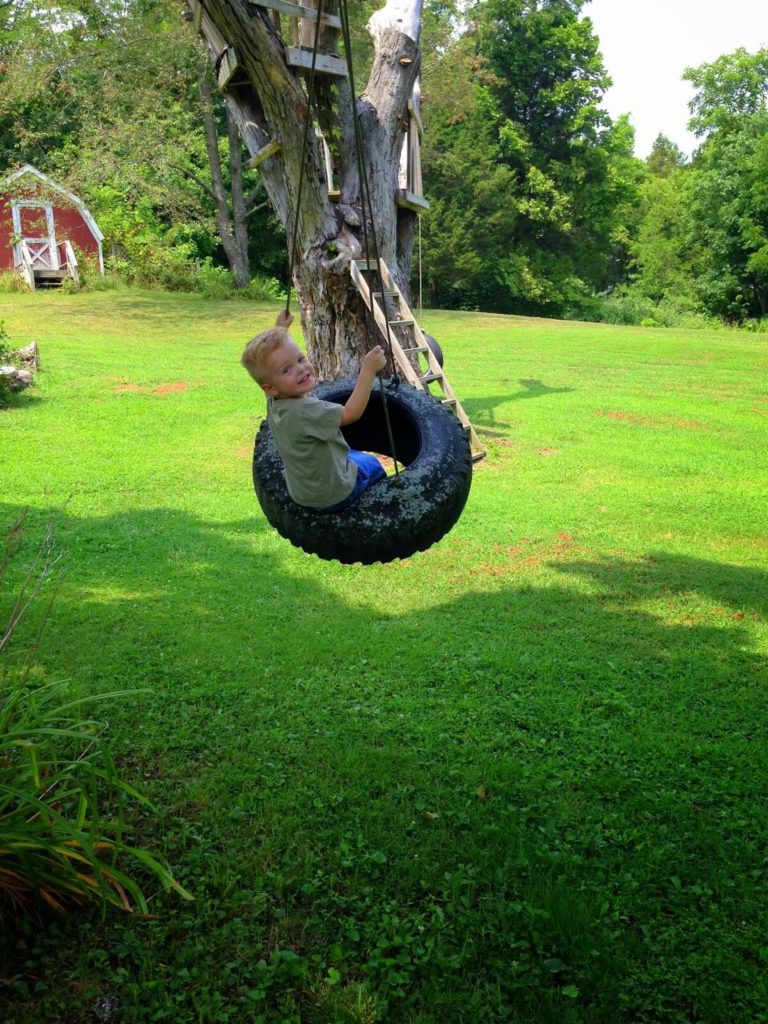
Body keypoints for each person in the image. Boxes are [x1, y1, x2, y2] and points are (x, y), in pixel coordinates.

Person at [241, 310, 388, 512]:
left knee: (352, 455)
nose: (300, 369)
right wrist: (368, 370)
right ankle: (375, 506)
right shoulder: (306, 410)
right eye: (287, 369)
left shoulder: (275, 399)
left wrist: (280, 328)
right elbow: (350, 413)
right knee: (372, 464)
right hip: (333, 493)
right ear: (271, 388)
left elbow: (277, 360)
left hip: (303, 490)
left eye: (301, 359)